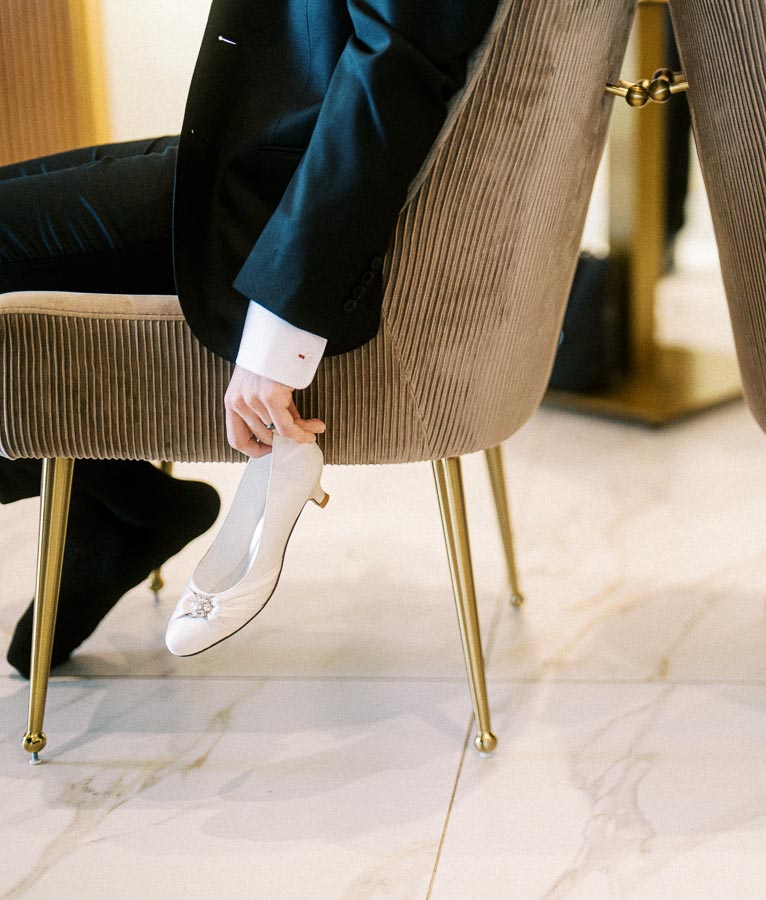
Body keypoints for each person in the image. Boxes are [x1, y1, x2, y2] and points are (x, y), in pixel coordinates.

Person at [1, 1, 500, 674]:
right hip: (256, 157)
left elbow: (398, 64)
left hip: (287, 201)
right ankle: (127, 503)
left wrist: (278, 337)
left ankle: (129, 507)